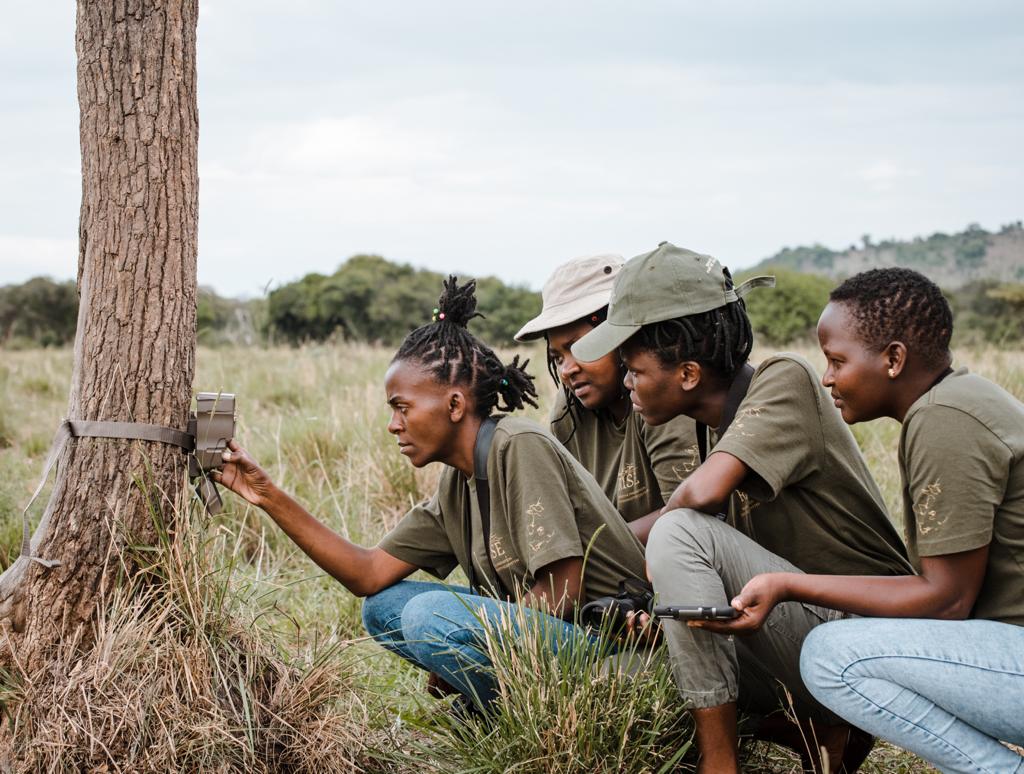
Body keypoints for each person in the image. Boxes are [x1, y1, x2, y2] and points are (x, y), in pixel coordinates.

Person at [214, 276, 647, 711]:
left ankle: (506, 708)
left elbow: (560, 591)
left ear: (455, 405)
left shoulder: (518, 445)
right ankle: (501, 704)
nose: (393, 425)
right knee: (383, 608)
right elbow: (367, 573)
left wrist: (460, 644)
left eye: (402, 407)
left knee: (428, 616)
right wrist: (266, 495)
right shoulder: (456, 482)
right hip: (544, 636)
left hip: (607, 642)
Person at [571, 242, 913, 773]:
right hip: (800, 626)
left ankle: (721, 761)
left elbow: (695, 504)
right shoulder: (711, 432)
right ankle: (807, 731)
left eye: (634, 369)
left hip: (870, 632)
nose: (628, 384)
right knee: (618, 677)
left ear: (687, 373)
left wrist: (656, 559)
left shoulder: (784, 380)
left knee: (679, 531)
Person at [691, 268, 1023, 773]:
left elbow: (947, 600)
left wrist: (789, 585)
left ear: (893, 359)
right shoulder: (958, 401)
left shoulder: (943, 419)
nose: (827, 379)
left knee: (829, 656)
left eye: (837, 361)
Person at [514, 254, 699, 537]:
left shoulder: (661, 397)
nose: (567, 369)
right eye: (558, 357)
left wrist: (596, 552)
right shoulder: (570, 410)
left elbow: (688, 516)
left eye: (578, 347)